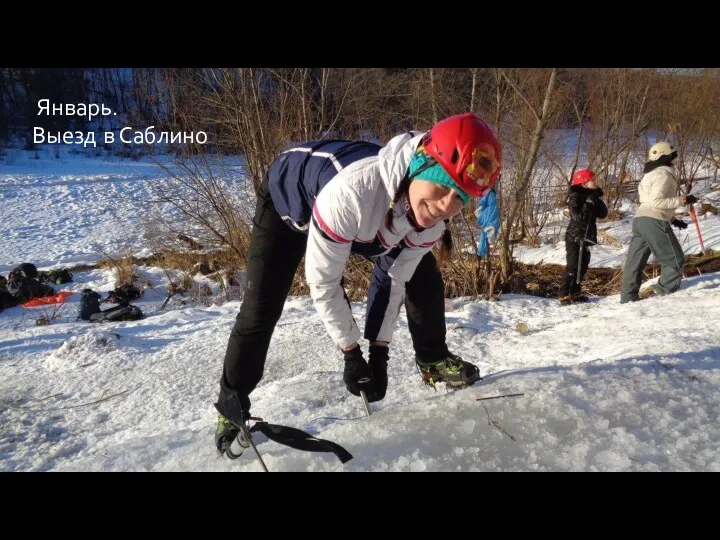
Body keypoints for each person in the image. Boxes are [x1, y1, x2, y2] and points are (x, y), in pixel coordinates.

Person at [215, 113, 502, 452]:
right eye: (442, 188)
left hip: (373, 216)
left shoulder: (432, 220)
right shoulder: (353, 195)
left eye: (459, 198)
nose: (445, 206)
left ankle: (432, 359)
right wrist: (351, 352)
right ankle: (231, 406)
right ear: (420, 167)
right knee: (261, 306)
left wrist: (379, 354)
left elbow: (393, 276)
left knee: (422, 272)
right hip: (288, 204)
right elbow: (323, 282)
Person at [620, 142, 695, 303]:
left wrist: (673, 219)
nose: (675, 158)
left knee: (635, 262)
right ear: (665, 157)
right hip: (654, 220)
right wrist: (682, 200)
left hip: (640, 220)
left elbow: (648, 201)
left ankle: (628, 298)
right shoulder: (663, 174)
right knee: (675, 259)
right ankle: (663, 292)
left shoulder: (650, 174)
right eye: (672, 155)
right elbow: (657, 202)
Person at [558, 169, 607, 305]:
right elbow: (578, 217)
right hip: (575, 235)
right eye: (593, 179)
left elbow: (603, 214)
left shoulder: (593, 196)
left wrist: (596, 198)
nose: (596, 181)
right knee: (573, 265)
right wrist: (588, 203)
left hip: (586, 236)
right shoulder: (575, 196)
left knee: (583, 265)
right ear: (584, 182)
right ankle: (564, 294)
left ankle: (575, 292)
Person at [475, 187, 500, 258]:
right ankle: (491, 228)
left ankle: (481, 252)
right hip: (484, 208)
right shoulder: (490, 195)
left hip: (483, 212)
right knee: (492, 205)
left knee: (484, 231)